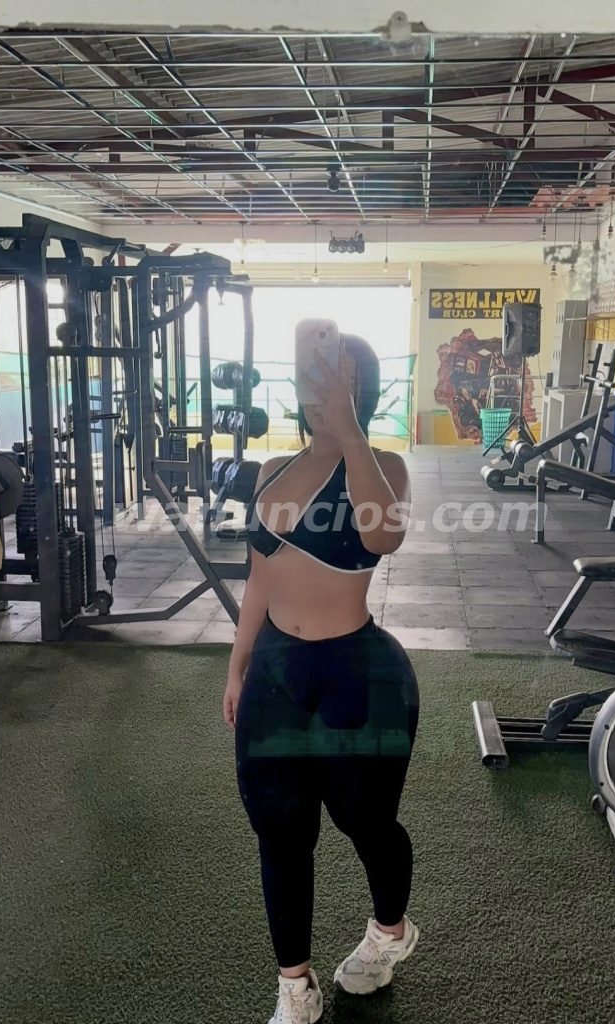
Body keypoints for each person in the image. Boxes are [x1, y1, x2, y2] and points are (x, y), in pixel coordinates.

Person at [223, 334, 420, 1024]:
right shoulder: (273, 469)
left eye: (338, 381)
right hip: (276, 673)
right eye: (311, 380)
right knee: (279, 832)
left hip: (359, 675)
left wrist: (350, 432)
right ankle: (294, 987)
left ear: (362, 390)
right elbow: (259, 578)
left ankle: (390, 932)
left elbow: (381, 536)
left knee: (366, 822)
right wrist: (237, 664)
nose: (320, 394)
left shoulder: (384, 466)